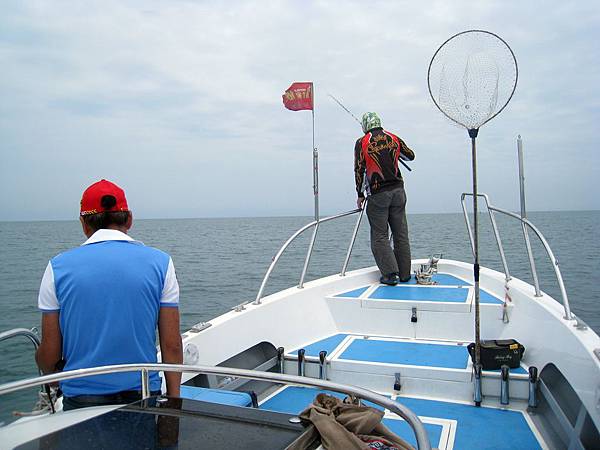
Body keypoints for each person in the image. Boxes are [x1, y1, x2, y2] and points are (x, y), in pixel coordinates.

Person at [36, 179, 183, 410]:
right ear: (129, 219)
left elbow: (50, 354)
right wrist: (174, 402)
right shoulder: (162, 264)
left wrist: (47, 367)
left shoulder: (57, 268)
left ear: (84, 223)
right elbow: (171, 345)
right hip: (143, 393)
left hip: (81, 399)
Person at [354, 112, 415, 285]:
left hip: (378, 194)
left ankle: (390, 275)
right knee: (401, 234)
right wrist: (396, 155)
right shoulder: (394, 138)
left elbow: (359, 169)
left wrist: (359, 194)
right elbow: (410, 155)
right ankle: (404, 274)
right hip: (398, 192)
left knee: (380, 235)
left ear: (366, 126)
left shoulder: (362, 142)